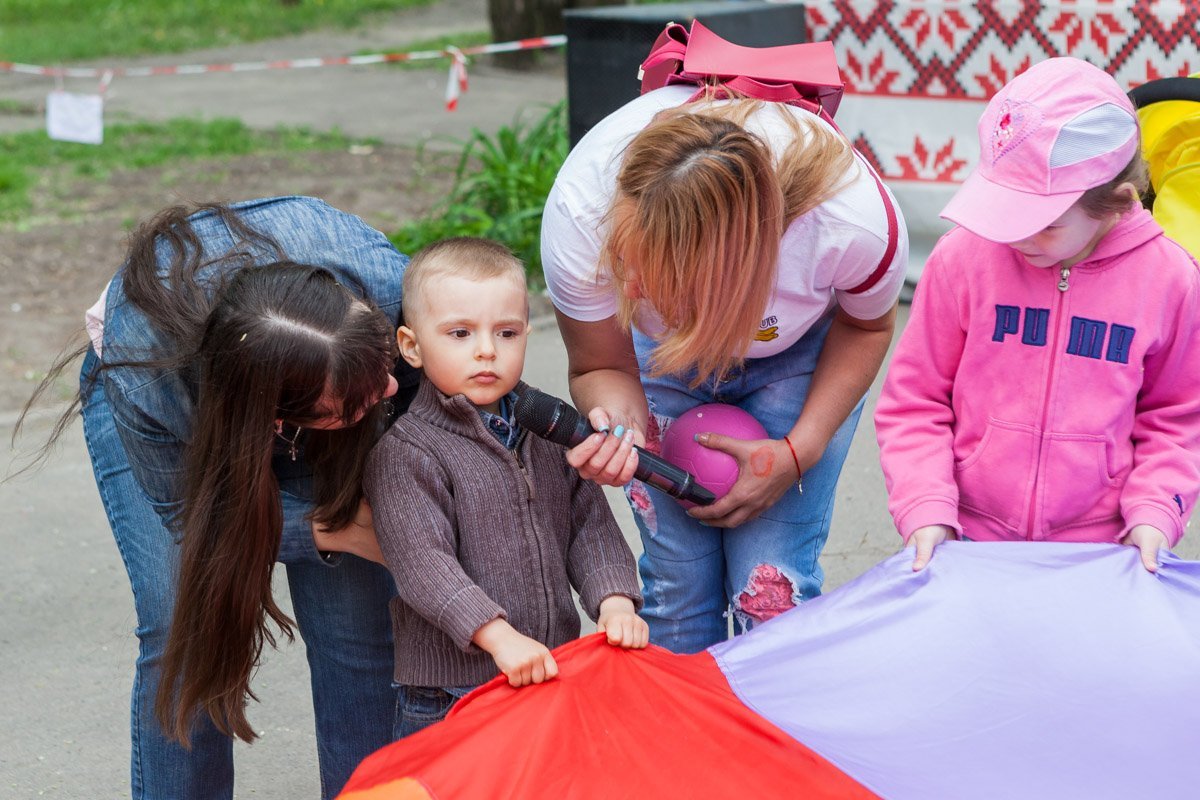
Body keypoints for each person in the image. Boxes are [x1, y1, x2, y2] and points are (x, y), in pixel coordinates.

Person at [19, 196, 418, 799]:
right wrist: (329, 529)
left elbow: (455, 394)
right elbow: (191, 518)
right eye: (357, 402)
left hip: (319, 370)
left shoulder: (387, 285)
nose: (388, 388)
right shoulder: (146, 371)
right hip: (173, 401)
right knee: (183, 615)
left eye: (383, 364)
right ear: (280, 418)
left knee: (358, 629)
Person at [540, 86, 908, 653]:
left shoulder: (850, 225)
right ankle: (687, 736)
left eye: (656, 276)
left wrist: (797, 452)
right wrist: (620, 429)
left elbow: (867, 326)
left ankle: (771, 734)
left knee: (772, 583)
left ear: (734, 267)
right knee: (676, 582)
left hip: (800, 352)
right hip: (670, 364)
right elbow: (603, 361)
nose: (630, 292)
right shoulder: (580, 212)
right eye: (623, 262)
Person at [874, 57, 1200, 573]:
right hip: (967, 541)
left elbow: (1175, 419)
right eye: (1006, 209)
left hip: (1102, 553)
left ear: (1116, 203)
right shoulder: (962, 260)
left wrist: (1155, 512)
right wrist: (926, 506)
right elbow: (916, 401)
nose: (1017, 234)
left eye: (1042, 221)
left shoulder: (1171, 279)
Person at [362, 237, 646, 738]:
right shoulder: (408, 452)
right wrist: (497, 637)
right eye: (459, 332)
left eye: (507, 332)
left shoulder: (548, 429)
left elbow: (590, 525)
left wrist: (614, 599)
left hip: (547, 667)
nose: (487, 350)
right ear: (411, 346)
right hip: (453, 692)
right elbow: (424, 565)